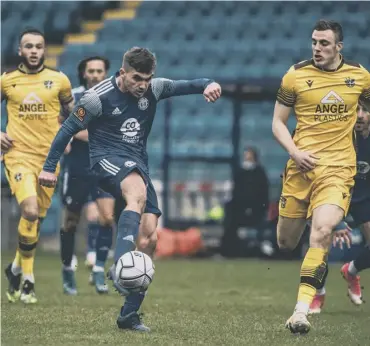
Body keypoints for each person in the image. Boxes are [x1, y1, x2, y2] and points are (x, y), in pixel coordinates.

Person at [38, 47, 222, 331]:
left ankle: (129, 314)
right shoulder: (96, 98)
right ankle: (120, 262)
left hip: (138, 164)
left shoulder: (154, 89)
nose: (143, 85)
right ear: (123, 73)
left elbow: (187, 85)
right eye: (137, 78)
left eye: (147, 79)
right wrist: (49, 167)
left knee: (149, 237)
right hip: (104, 161)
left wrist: (208, 84)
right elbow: (66, 130)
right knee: (135, 193)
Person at [272, 20, 370, 334]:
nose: (317, 48)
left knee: (323, 230)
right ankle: (315, 276)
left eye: (324, 43)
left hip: (338, 170)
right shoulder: (295, 76)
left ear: (338, 46)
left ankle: (300, 311)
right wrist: (294, 152)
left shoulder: (360, 76)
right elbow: (277, 122)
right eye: (314, 42)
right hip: (300, 170)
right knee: (286, 242)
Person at [1, 29, 74, 304]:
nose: (33, 50)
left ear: (44, 50)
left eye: (38, 46)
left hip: (48, 160)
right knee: (29, 210)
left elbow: (73, 115)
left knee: (36, 219)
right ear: (20, 50)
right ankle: (29, 281)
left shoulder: (59, 80)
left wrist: (66, 137)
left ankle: (15, 268)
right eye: (28, 46)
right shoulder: (7, 81)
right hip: (18, 156)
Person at [60, 56, 115, 295]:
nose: (94, 74)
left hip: (103, 165)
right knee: (71, 221)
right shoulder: (72, 97)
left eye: (99, 71)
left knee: (106, 218)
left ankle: (99, 270)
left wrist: (80, 132)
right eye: (90, 70)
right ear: (83, 73)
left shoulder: (114, 96)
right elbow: (60, 123)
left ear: (105, 73)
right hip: (78, 165)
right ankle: (67, 270)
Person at [309, 103, 370, 314]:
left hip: (363, 199)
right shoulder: (339, 137)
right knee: (321, 240)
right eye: (356, 110)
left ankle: (351, 271)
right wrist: (339, 219)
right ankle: (318, 293)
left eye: (365, 111)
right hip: (336, 194)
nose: (360, 116)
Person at [221, 146, 269, 257]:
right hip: (239, 210)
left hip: (256, 211)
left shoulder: (259, 173)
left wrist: (254, 208)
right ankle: (229, 251)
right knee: (229, 221)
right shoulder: (239, 172)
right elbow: (235, 192)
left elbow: (263, 195)